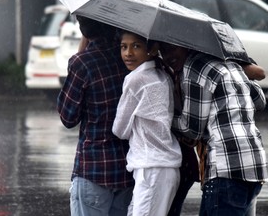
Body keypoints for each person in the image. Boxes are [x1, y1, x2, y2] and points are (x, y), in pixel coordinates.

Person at [159, 43, 268, 216]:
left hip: (226, 169)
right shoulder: (232, 64)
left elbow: (191, 128)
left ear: (187, 47)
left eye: (173, 49)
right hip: (254, 164)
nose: (168, 56)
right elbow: (260, 101)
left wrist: (164, 119)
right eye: (163, 51)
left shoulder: (194, 68)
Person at [57, 15, 134, 216]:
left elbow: (68, 117)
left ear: (83, 30)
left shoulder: (82, 63)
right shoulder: (128, 58)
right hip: (127, 170)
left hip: (94, 170)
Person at [112, 30, 182, 216]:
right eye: (123, 47)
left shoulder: (135, 79)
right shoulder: (163, 76)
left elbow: (119, 130)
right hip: (162, 168)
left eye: (136, 46)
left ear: (151, 50)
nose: (128, 53)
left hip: (152, 169)